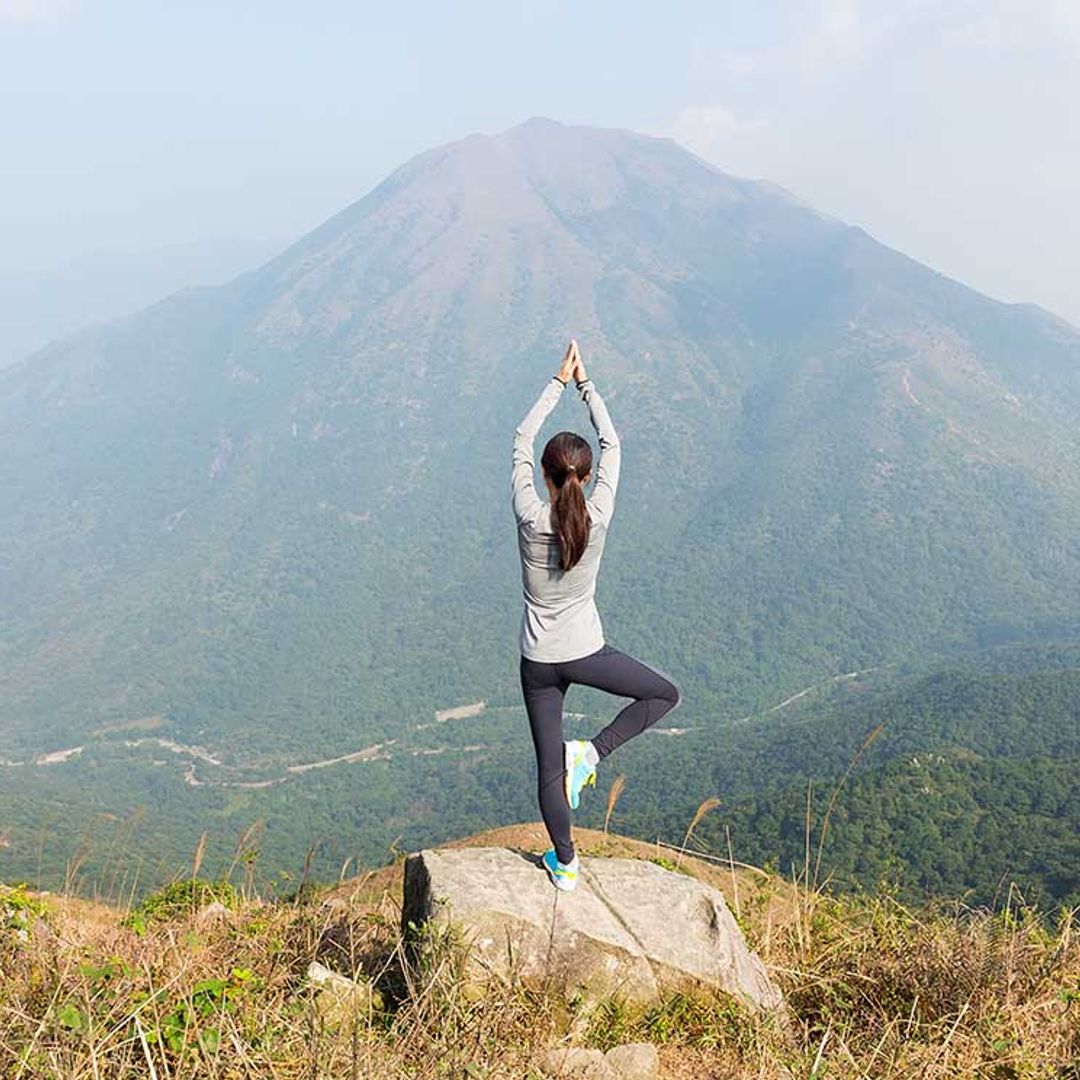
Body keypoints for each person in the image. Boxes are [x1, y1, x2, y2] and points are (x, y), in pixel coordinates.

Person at [511, 338, 682, 892]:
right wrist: (586, 385)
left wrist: (556, 382)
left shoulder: (528, 514)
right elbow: (613, 442)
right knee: (663, 694)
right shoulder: (599, 516)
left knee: (546, 771)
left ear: (543, 474)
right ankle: (594, 752)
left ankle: (565, 862)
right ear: (584, 478)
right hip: (586, 653)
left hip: (537, 660)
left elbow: (519, 439)